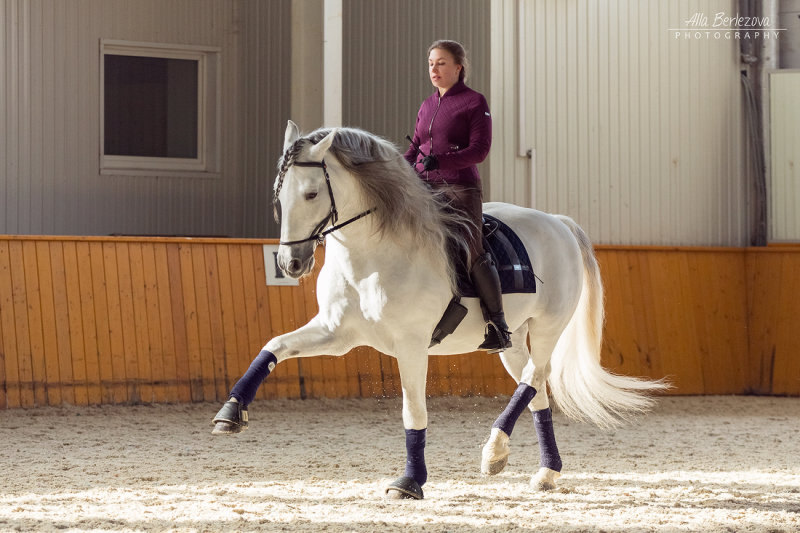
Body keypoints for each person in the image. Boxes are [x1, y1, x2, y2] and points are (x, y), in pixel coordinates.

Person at [404, 39, 511, 353]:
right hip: (425, 189)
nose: (434, 70)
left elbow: (480, 150)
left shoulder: (474, 102)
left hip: (460, 188)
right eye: (431, 64)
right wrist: (397, 169)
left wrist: (444, 161)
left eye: (441, 63)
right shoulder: (427, 105)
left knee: (469, 249)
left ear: (458, 68)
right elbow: (415, 149)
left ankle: (499, 325)